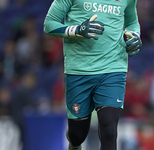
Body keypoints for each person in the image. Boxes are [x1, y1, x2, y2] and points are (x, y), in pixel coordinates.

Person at [43, 0, 142, 149]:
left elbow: (132, 22)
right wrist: (76, 30)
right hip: (78, 71)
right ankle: (74, 145)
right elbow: (49, 24)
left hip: (113, 69)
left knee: (109, 131)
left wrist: (135, 36)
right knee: (78, 135)